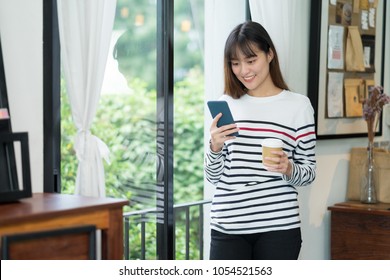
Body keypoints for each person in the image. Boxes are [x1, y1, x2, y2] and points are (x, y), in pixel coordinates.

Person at [204, 21, 316, 260]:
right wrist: (214, 148)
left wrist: (288, 167)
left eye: (251, 60)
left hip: (279, 228)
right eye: (235, 63)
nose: (244, 70)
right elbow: (213, 177)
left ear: (270, 54)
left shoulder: (298, 106)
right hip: (228, 227)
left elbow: (309, 173)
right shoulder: (226, 104)